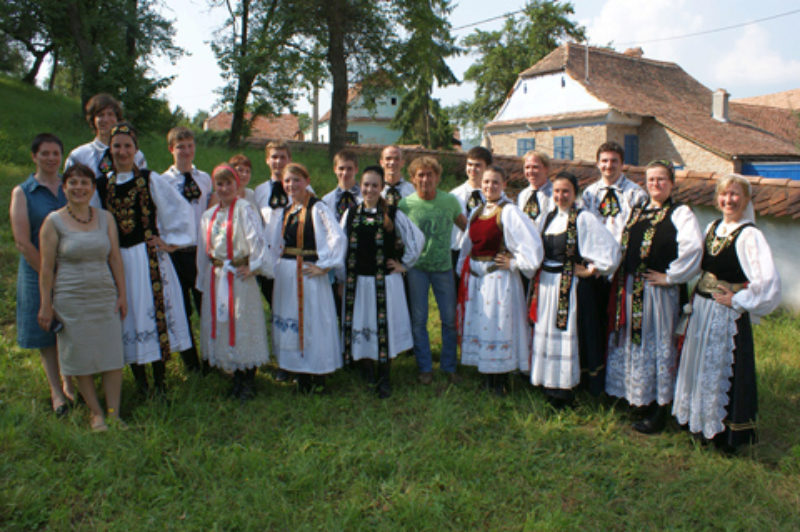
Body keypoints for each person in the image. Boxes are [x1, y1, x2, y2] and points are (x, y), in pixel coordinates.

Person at [672, 174, 780, 452]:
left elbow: (768, 283)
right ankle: (697, 422)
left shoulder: (750, 235)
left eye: (735, 195)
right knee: (698, 364)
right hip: (702, 308)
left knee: (718, 368)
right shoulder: (712, 227)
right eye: (724, 194)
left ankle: (722, 434)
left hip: (725, 314)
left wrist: (739, 299)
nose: (728, 200)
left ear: (746, 200)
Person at [605, 160, 703, 433]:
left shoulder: (680, 213)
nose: (655, 184)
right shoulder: (638, 211)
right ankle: (637, 399)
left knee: (657, 345)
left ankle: (660, 408)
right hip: (630, 289)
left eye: (661, 179)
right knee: (632, 344)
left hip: (657, 293)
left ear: (672, 183)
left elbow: (694, 249)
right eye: (650, 180)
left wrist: (671, 276)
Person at [97, 123, 195, 396]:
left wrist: (170, 243)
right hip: (117, 260)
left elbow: (179, 210)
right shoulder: (102, 183)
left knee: (152, 316)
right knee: (127, 317)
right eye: (117, 145)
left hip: (147, 259)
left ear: (136, 149)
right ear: (110, 149)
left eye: (128, 145)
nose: (122, 151)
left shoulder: (149, 179)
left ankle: (160, 382)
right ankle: (140, 383)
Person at [38, 163, 127, 431]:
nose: (79, 188)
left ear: (92, 188)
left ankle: (113, 412)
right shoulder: (53, 221)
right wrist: (46, 303)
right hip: (70, 297)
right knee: (80, 357)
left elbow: (114, 257)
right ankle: (96, 413)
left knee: (112, 357)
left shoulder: (105, 218)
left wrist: (122, 294)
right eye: (73, 183)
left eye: (84, 183)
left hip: (104, 294)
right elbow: (46, 267)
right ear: (64, 188)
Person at [530, 172, 620, 408]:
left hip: (569, 287)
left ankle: (567, 389)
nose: (561, 196)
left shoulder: (582, 219)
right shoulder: (548, 217)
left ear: (575, 193)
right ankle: (551, 383)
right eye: (557, 191)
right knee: (549, 334)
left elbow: (610, 250)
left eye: (566, 191)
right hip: (548, 285)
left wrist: (592, 270)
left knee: (566, 335)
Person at [338, 166, 424, 398]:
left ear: (382, 187)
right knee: (363, 322)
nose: (369, 189)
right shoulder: (351, 213)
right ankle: (367, 371)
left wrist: (404, 264)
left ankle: (384, 376)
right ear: (360, 186)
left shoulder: (393, 213)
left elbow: (417, 238)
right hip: (358, 282)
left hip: (385, 283)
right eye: (366, 184)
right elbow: (340, 246)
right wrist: (341, 276)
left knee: (384, 327)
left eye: (375, 185)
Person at [456, 165, 543, 396]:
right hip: (478, 281)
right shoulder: (476, 211)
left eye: (495, 182)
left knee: (498, 328)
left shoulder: (509, 212)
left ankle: (500, 380)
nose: (489, 186)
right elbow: (468, 244)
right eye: (486, 182)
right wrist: (462, 270)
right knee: (484, 327)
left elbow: (532, 246)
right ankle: (486, 376)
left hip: (499, 280)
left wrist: (515, 263)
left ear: (504, 184)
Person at [266, 162, 346, 393]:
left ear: (306, 181)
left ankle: (318, 373)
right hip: (287, 274)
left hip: (309, 274)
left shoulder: (317, 208)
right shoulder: (287, 210)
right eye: (287, 181)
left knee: (313, 322)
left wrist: (325, 266)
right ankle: (299, 373)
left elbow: (337, 238)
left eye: (296, 180)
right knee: (291, 319)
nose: (292, 185)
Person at [196, 165, 274, 400]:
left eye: (229, 183)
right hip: (217, 276)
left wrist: (254, 265)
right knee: (222, 324)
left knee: (242, 323)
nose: (224, 188)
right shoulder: (208, 216)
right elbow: (203, 249)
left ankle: (248, 379)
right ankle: (233, 376)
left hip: (239, 277)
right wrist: (203, 277)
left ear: (236, 184)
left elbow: (257, 240)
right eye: (219, 184)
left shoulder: (244, 209)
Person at [10, 133, 74, 416]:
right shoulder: (23, 192)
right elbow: (23, 241)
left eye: (55, 153)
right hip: (37, 270)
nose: (51, 158)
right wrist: (48, 274)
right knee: (46, 330)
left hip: (72, 268)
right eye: (45, 153)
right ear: (34, 156)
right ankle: (56, 392)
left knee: (70, 328)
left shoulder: (70, 187)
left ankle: (71, 383)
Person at [578, 141, 648, 395]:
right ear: (597, 163)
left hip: (623, 269)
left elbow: (638, 233)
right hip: (594, 270)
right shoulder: (589, 194)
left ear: (622, 163)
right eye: (604, 161)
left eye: (614, 161)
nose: (608, 166)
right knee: (594, 323)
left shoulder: (636, 194)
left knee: (619, 327)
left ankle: (619, 383)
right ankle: (594, 379)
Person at [399, 156, 467, 384]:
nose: (425, 179)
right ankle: (424, 367)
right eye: (420, 175)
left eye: (430, 174)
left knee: (448, 319)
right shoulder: (405, 205)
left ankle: (448, 366)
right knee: (419, 320)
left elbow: (466, 228)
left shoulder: (449, 202)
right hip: (417, 269)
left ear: (438, 177)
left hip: (443, 268)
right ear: (413, 178)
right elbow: (397, 237)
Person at [161, 126, 213, 374]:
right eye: (181, 146)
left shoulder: (204, 178)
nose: (186, 151)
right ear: (172, 149)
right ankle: (190, 361)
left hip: (201, 252)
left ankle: (211, 355)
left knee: (206, 304)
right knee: (182, 307)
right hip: (177, 252)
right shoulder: (163, 182)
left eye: (190, 145)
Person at [64, 93, 147, 206]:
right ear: (93, 119)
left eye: (110, 114)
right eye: (100, 115)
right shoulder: (79, 156)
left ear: (117, 119)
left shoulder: (135, 155)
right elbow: (67, 191)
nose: (106, 119)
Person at [450, 146, 492, 273]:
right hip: (457, 251)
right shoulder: (453, 195)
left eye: (477, 165)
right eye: (469, 164)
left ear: (487, 168)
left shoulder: (494, 196)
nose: (472, 169)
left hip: (485, 253)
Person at [516, 151, 554, 233]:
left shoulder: (555, 194)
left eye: (535, 167)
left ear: (546, 169)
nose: (530, 171)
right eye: (527, 167)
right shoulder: (522, 195)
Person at [322, 149, 361, 221]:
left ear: (356, 170)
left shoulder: (364, 197)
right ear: (335, 169)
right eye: (341, 168)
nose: (345, 173)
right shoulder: (327, 200)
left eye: (349, 169)